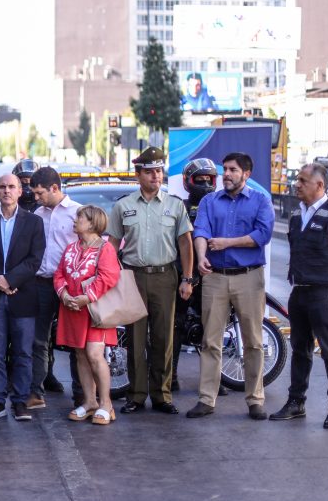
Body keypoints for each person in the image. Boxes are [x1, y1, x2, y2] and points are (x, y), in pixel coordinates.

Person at [186, 152, 275, 420]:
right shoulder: (210, 202)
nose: (226, 174)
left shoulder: (261, 201)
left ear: (246, 174)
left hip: (249, 277)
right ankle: (206, 399)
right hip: (215, 277)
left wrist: (227, 242)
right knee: (210, 341)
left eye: (232, 170)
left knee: (253, 341)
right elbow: (200, 231)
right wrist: (201, 256)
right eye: (225, 169)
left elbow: (263, 234)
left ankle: (255, 400)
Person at [270, 163, 328, 429]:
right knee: (300, 349)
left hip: (325, 293)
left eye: (302, 180)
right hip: (299, 292)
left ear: (319, 185)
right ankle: (296, 402)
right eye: (297, 179)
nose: (297, 184)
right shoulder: (297, 216)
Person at [107, 147, 194, 415]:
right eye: (149, 172)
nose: (156, 176)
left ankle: (162, 395)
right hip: (132, 276)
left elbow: (185, 243)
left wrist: (187, 278)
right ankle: (136, 395)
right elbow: (111, 243)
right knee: (134, 339)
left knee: (163, 338)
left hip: (165, 277)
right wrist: (111, 278)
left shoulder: (174, 205)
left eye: (159, 171)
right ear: (138, 175)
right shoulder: (124, 206)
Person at [0, 174, 46, 423]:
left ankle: (20, 402)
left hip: (23, 296)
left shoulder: (34, 222)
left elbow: (35, 259)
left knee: (22, 353)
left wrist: (11, 280)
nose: (7, 190)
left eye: (11, 187)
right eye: (2, 186)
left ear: (19, 191)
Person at [54, 205, 121, 426]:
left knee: (94, 354)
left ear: (92, 223)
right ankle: (90, 401)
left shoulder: (105, 248)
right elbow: (60, 274)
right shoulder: (71, 247)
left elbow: (109, 277)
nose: (75, 221)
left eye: (79, 218)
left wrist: (86, 297)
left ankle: (106, 404)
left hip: (94, 310)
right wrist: (64, 295)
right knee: (80, 355)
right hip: (72, 308)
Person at [173, 158, 227, 396]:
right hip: (182, 275)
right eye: (200, 179)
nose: (205, 184)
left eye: (209, 180)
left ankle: (214, 379)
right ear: (187, 182)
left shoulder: (220, 207)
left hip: (211, 276)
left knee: (212, 330)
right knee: (176, 326)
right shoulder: (179, 208)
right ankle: (170, 377)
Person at [29, 166, 81, 408]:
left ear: (55, 188)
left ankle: (81, 395)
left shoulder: (77, 212)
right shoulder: (37, 215)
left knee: (75, 341)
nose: (36, 198)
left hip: (71, 285)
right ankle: (36, 392)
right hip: (41, 283)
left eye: (40, 193)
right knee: (38, 339)